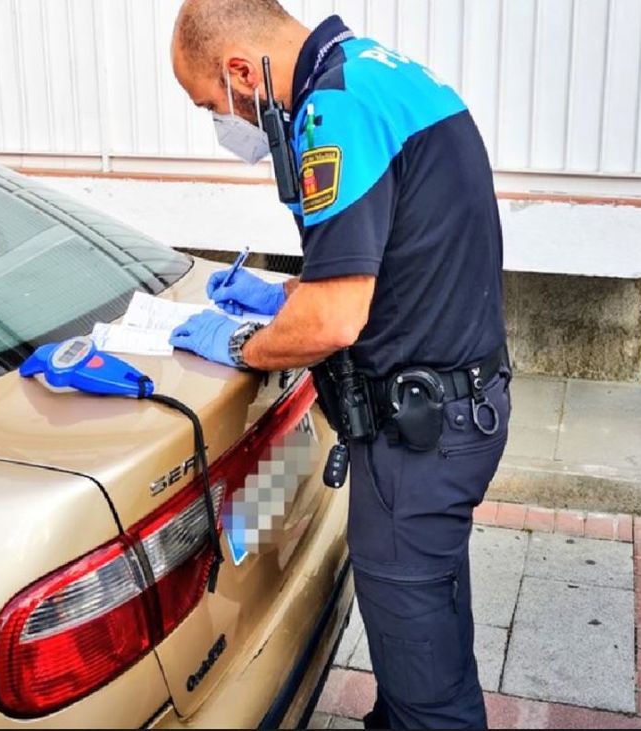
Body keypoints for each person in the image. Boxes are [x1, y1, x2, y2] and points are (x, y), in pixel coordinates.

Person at [168, 1, 510, 727]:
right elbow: (393, 260)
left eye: (211, 104)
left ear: (238, 71)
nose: (220, 120)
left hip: (416, 440)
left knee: (430, 697)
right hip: (455, 410)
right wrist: (281, 293)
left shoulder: (334, 109)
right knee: (427, 633)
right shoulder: (383, 72)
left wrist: (238, 345)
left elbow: (336, 318)